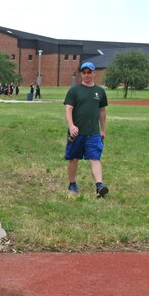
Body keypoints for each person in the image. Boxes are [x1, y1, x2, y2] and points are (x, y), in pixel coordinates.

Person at [64, 62, 109, 197]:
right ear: (81, 74)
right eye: (84, 72)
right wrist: (71, 126)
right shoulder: (74, 90)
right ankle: (72, 184)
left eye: (89, 72)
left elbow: (102, 111)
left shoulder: (100, 91)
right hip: (76, 133)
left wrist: (102, 130)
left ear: (94, 73)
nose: (86, 75)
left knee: (95, 158)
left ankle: (99, 186)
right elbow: (68, 109)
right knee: (74, 158)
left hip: (93, 133)